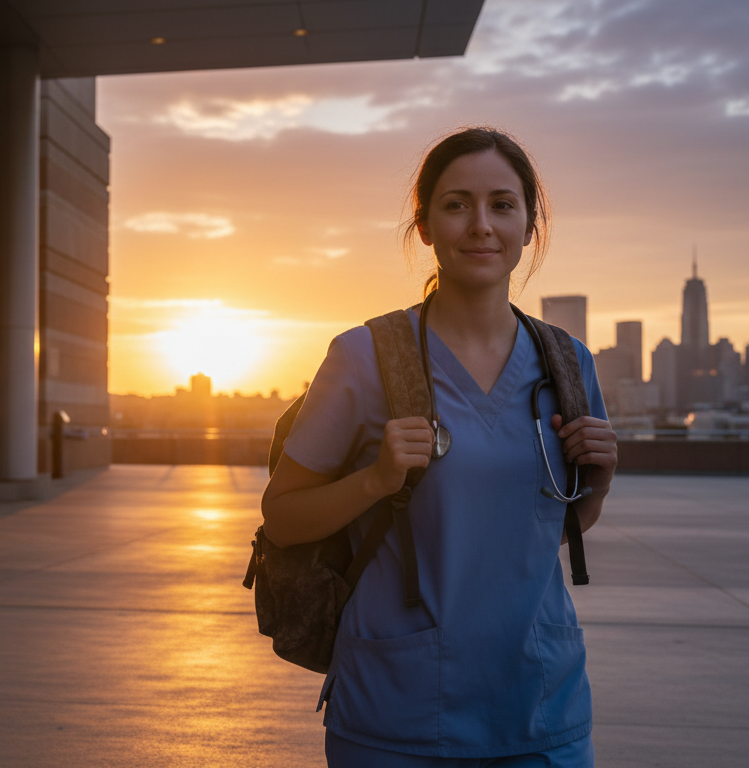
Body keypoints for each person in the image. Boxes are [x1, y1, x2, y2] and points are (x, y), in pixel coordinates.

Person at [260, 127, 618, 767]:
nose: (481, 225)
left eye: (502, 205)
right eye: (456, 205)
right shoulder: (365, 357)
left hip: (541, 707)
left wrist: (600, 480)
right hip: (399, 711)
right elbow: (282, 517)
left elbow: (546, 531)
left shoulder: (567, 362)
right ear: (423, 224)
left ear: (529, 226)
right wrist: (374, 480)